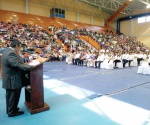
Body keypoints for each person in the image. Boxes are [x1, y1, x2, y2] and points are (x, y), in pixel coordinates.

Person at [1, 40, 32, 117]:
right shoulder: (11, 53)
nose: (19, 49)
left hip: (10, 77)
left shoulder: (7, 51)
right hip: (12, 78)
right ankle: (12, 112)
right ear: (17, 46)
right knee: (13, 96)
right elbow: (16, 64)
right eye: (19, 47)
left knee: (10, 96)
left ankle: (11, 109)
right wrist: (31, 66)